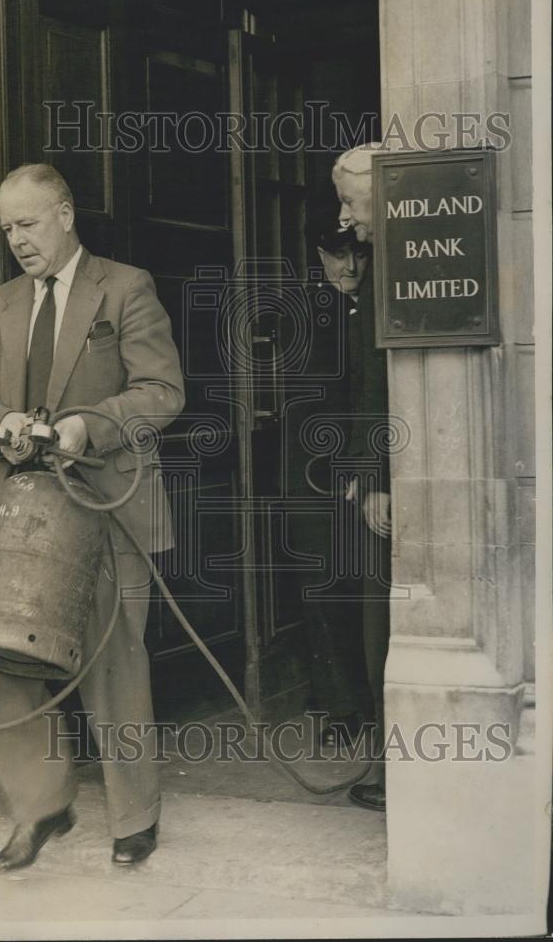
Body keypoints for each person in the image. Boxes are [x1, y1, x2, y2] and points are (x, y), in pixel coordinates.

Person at [0, 163, 185, 868]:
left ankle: (134, 817)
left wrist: (95, 424)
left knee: (114, 660)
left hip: (105, 505)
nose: (17, 240)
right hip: (17, 518)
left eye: (27, 223)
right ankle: (42, 803)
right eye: (7, 229)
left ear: (64, 213)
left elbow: (162, 391)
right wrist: (2, 424)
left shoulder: (126, 287)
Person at [291, 198, 374, 750]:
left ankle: (370, 702)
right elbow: (309, 404)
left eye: (357, 256)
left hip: (359, 473)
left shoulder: (373, 308)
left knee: (366, 588)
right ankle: (343, 706)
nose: (348, 268)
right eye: (336, 256)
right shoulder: (308, 313)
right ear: (320, 257)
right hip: (314, 476)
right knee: (323, 586)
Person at [331, 142, 391, 812]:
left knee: (385, 623)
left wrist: (375, 478)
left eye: (351, 201)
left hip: (391, 484)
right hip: (380, 473)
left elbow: (382, 386)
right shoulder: (379, 267)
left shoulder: (390, 271)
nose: (345, 219)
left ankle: (396, 766)